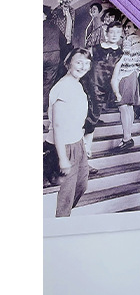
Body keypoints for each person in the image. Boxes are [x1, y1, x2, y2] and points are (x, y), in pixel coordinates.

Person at [46, 48, 92, 217]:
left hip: (77, 142)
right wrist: (63, 158)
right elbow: (57, 126)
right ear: (68, 63)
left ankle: (62, 219)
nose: (83, 66)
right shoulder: (63, 87)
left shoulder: (77, 85)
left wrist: (83, 142)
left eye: (87, 63)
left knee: (82, 185)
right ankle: (60, 223)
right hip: (64, 145)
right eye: (79, 62)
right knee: (65, 197)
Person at [81, 21, 123, 158]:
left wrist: (117, 93)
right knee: (84, 117)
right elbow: (83, 66)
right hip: (87, 86)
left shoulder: (120, 54)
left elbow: (114, 77)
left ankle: (86, 147)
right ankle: (82, 148)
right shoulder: (94, 49)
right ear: (106, 33)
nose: (114, 35)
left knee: (93, 118)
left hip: (102, 91)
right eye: (112, 32)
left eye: (118, 32)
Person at [111, 19, 140, 152]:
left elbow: (124, 59)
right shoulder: (139, 40)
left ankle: (127, 139)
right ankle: (128, 136)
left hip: (126, 74)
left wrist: (119, 76)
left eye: (129, 27)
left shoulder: (128, 39)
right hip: (133, 75)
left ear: (135, 28)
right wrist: (135, 72)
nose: (126, 29)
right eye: (125, 27)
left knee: (123, 106)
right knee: (129, 107)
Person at [50, 0, 76, 78]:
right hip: (58, 44)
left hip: (69, 43)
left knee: (66, 66)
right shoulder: (56, 11)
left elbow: (71, 27)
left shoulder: (72, 11)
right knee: (58, 67)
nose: (67, 0)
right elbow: (53, 28)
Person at [43, 5, 61, 113]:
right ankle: (43, 108)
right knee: (48, 83)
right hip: (54, 56)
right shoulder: (55, 27)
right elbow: (63, 42)